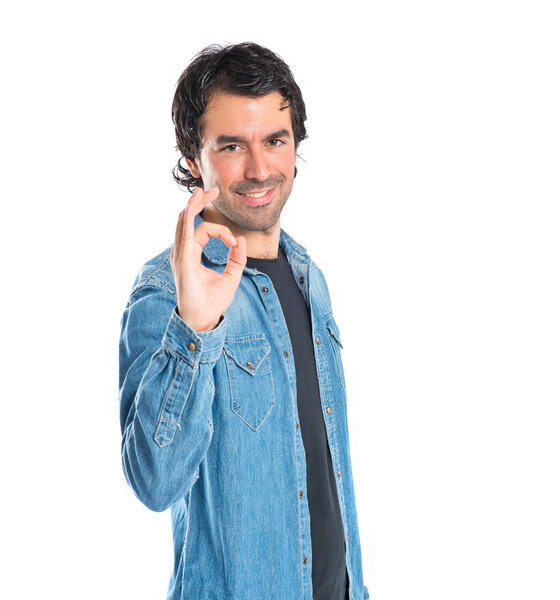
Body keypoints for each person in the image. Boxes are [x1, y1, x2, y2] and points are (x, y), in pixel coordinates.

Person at [118, 42, 369, 600]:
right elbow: (154, 483)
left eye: (275, 141)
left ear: (295, 147)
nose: (260, 169)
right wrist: (197, 329)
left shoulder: (308, 275)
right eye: (231, 146)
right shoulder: (165, 294)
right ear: (192, 158)